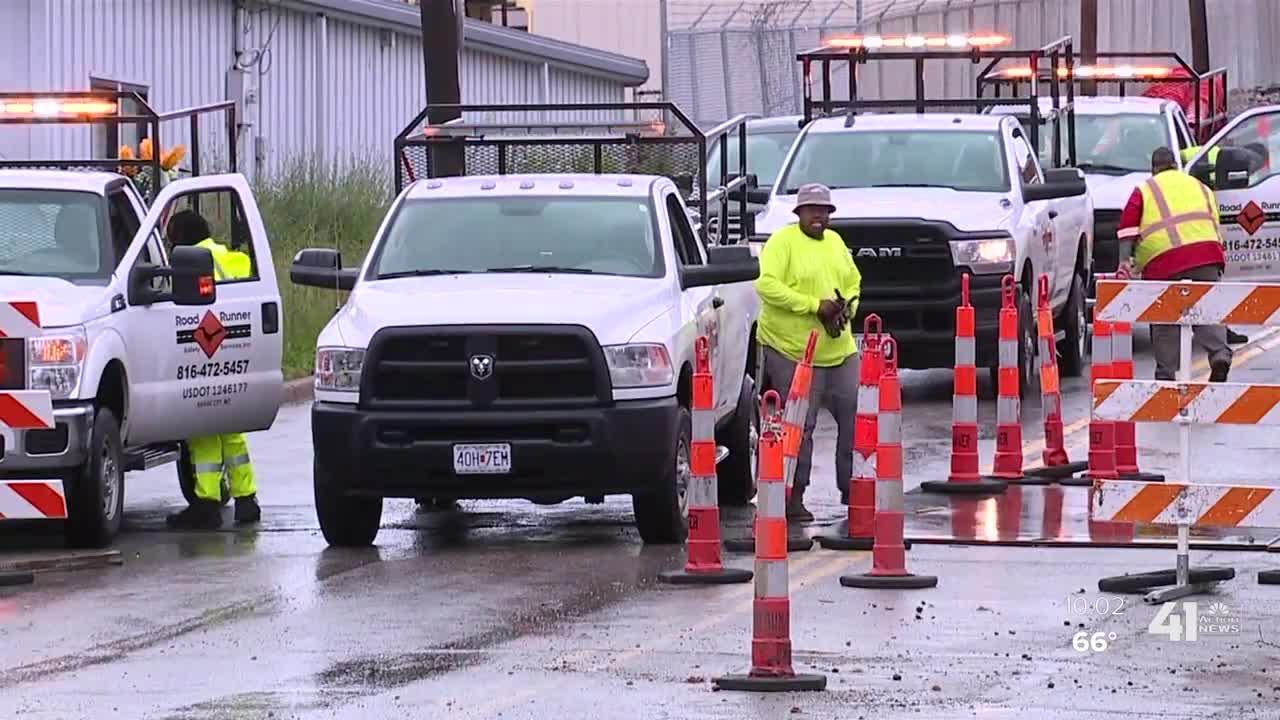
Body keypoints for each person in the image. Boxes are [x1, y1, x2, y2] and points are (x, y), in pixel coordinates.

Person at [754, 183, 862, 521]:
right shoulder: (782, 242)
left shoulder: (836, 243)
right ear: (798, 212)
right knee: (799, 427)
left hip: (838, 349)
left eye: (824, 210)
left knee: (858, 420)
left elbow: (853, 282)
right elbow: (766, 285)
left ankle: (856, 490)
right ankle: (793, 497)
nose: (818, 216)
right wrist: (814, 306)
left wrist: (846, 309)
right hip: (792, 351)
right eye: (811, 209)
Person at [164, 209, 262, 529]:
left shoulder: (189, 263)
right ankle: (246, 500)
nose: (169, 247)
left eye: (171, 239)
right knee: (231, 430)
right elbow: (247, 271)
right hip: (230, 348)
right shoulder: (230, 258)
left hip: (200, 352)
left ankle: (207, 503)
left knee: (202, 427)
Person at [1116, 147, 1232, 382]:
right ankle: (1219, 353)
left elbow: (1127, 228)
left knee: (1165, 317)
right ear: (1176, 166)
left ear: (1154, 168)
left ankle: (1166, 373)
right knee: (1206, 307)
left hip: (1163, 262)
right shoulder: (1201, 187)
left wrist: (1124, 262)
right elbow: (1214, 225)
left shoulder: (1145, 189)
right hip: (1206, 255)